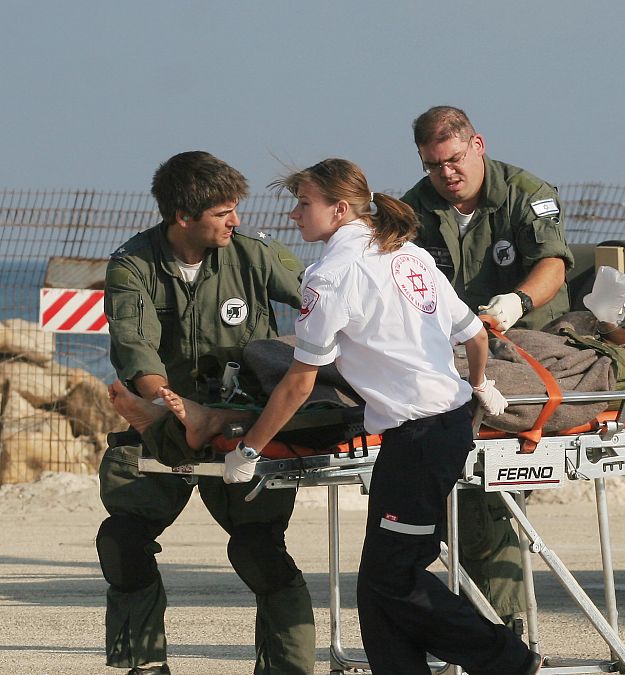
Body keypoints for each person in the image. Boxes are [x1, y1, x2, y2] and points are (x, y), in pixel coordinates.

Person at [211, 157, 541, 674]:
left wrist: (249, 449)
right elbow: (476, 335)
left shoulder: (330, 276)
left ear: (340, 209)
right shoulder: (410, 256)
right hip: (440, 429)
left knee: (394, 580)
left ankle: (510, 662)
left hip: (420, 439)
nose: (295, 215)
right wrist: (480, 385)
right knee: (377, 585)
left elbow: (299, 382)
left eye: (304, 204)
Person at [97, 151, 313, 675]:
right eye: (222, 212)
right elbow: (135, 347)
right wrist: (169, 406)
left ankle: (287, 668)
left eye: (235, 208)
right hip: (164, 415)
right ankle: (146, 665)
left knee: (260, 551)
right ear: (183, 216)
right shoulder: (133, 265)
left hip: (242, 425)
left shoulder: (255, 255)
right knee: (122, 542)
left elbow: (321, 298)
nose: (235, 220)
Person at [401, 105, 574, 633]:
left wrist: (518, 301)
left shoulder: (525, 193)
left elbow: (553, 264)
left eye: (454, 159)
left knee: (483, 499)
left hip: (525, 348)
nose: (446, 173)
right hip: (452, 358)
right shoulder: (414, 208)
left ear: (478, 144)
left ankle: (501, 630)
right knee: (462, 500)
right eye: (433, 165)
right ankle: (489, 631)